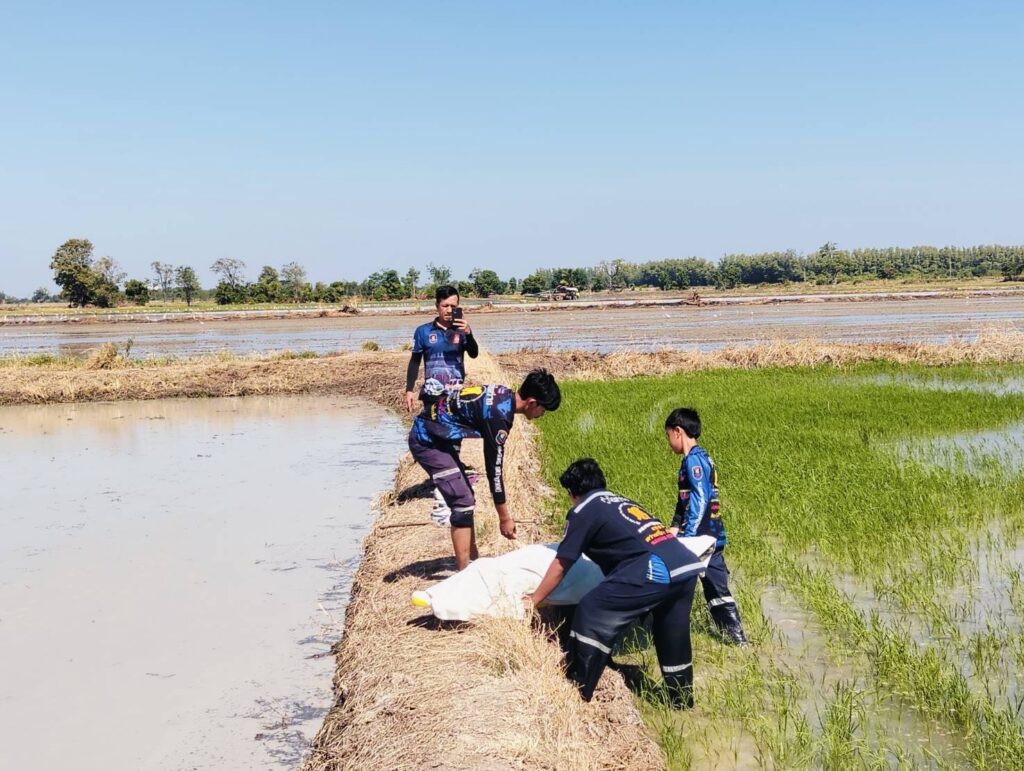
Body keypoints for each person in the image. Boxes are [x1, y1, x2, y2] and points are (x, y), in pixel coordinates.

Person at [526, 459, 706, 708]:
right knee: (672, 632)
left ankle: (577, 687)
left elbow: (563, 562)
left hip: (656, 569)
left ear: (572, 492)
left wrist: (534, 599)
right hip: (685, 565)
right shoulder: (621, 501)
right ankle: (681, 701)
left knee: (591, 609)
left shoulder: (583, 510)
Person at [408, 368, 561, 570]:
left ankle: (473, 561)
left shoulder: (503, 394)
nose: (542, 414)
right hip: (427, 440)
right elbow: (494, 470)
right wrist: (504, 518)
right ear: (532, 402)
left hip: (438, 435)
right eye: (544, 410)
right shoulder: (498, 417)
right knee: (462, 501)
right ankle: (465, 574)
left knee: (466, 496)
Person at [664, 407, 748, 645]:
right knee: (715, 590)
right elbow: (683, 500)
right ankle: (736, 640)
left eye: (668, 435)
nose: (668, 442)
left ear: (678, 431)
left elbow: (700, 499)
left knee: (674, 581)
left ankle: (736, 640)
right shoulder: (698, 458)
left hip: (703, 538)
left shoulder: (694, 460)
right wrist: (675, 526)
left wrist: (689, 536)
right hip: (711, 535)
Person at [403, 285, 478, 413]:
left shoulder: (462, 330)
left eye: (453, 306)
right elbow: (415, 361)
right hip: (431, 396)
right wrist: (409, 390)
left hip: (456, 395)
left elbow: (474, 354)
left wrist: (468, 333)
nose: (449, 310)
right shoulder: (423, 331)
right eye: (445, 305)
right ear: (437, 306)